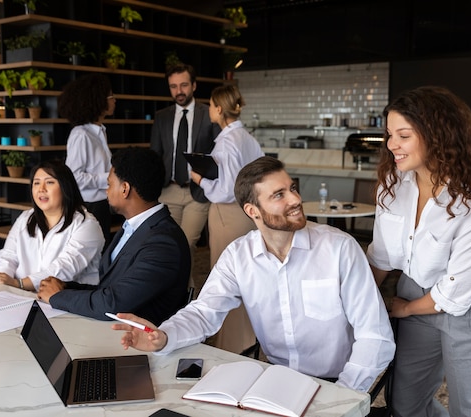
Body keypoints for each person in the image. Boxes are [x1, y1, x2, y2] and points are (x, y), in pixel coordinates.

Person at [111, 156, 395, 392]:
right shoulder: (239, 256)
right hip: (275, 380)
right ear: (252, 210)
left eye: (293, 188)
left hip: (337, 382)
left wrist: (342, 395)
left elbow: (376, 337)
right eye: (279, 195)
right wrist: (163, 336)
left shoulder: (339, 249)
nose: (295, 199)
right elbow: (204, 312)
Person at [366, 86, 471, 417]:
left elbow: (456, 294)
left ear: (437, 135)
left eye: (403, 135)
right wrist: (355, 300)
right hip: (414, 292)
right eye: (389, 135)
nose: (391, 145)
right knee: (404, 402)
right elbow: (381, 257)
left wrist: (405, 310)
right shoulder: (394, 187)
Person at [37, 147, 191, 326]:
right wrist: (66, 287)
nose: (106, 190)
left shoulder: (163, 243)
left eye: (109, 184)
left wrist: (59, 296)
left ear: (125, 189)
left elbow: (115, 303)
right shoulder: (132, 226)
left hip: (137, 339)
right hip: (110, 328)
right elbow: (110, 288)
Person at [189, 84, 264, 353]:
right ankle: (247, 338)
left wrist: (200, 179)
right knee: (246, 276)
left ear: (219, 109)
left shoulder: (228, 142)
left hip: (227, 215)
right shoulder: (247, 138)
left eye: (210, 105)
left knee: (227, 279)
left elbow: (225, 190)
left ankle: (233, 344)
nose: (208, 109)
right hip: (246, 215)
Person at [0, 160, 104, 291]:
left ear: (65, 187)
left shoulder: (87, 225)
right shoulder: (25, 218)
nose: (41, 189)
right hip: (21, 297)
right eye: (36, 183)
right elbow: (8, 257)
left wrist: (18, 283)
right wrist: (1, 279)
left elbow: (64, 268)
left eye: (49, 182)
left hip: (66, 303)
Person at [150, 63, 220, 266]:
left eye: (183, 85)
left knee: (186, 244)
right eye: (173, 86)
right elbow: (155, 154)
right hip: (167, 190)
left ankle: (184, 295)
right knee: (168, 245)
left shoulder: (209, 114)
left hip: (197, 191)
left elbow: (218, 154)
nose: (179, 91)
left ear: (194, 86)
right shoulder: (161, 117)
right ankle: (181, 295)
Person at [59, 73, 115, 248]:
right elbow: (74, 177)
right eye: (110, 96)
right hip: (90, 206)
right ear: (98, 100)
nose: (114, 100)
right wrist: (108, 178)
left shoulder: (99, 132)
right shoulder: (81, 135)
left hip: (102, 204)